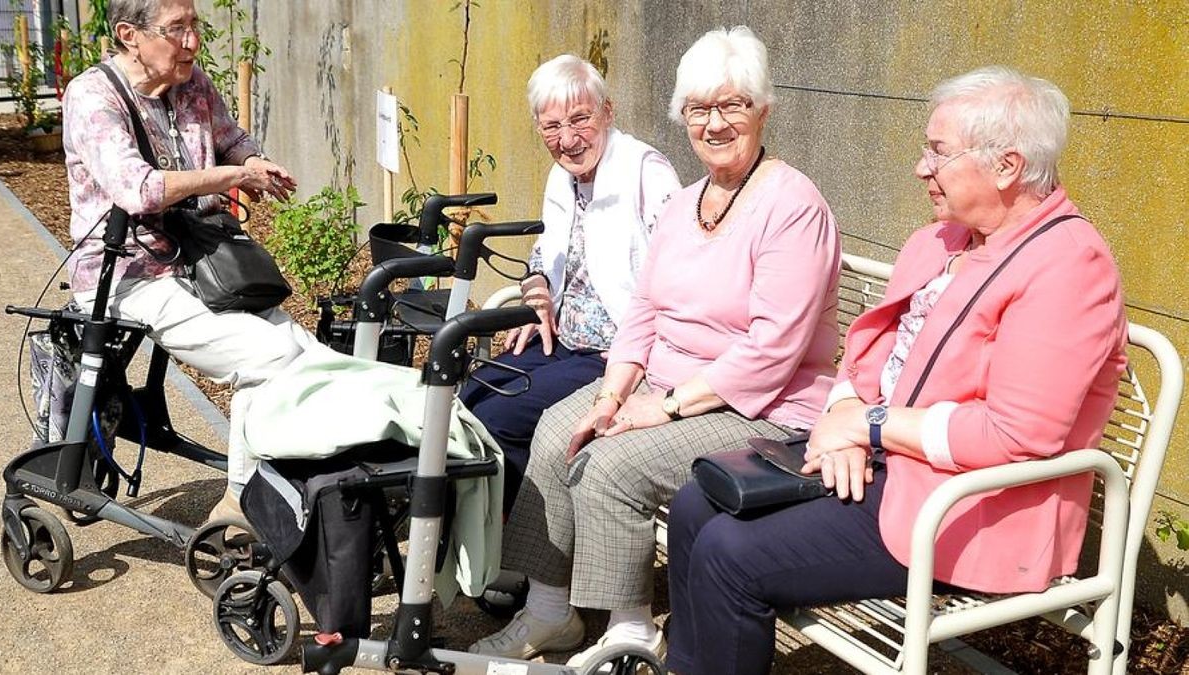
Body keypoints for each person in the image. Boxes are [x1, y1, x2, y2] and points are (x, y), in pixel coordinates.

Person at [665, 66, 1129, 675]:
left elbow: (1018, 436)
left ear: (1008, 166)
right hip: (889, 470)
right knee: (696, 504)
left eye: (937, 152)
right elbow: (867, 354)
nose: (920, 168)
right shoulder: (943, 241)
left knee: (732, 553)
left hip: (968, 507)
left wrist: (870, 426)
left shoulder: (1068, 267)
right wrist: (843, 422)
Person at [470, 26, 841, 665]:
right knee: (564, 430)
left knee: (613, 462)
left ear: (763, 110)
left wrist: (660, 409)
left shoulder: (791, 204)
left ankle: (630, 627)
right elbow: (643, 307)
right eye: (699, 109)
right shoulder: (688, 202)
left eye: (732, 105)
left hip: (762, 405)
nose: (715, 123)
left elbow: (772, 351)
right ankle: (549, 612)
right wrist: (615, 391)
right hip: (668, 381)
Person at [62, 0, 311, 520]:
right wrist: (230, 177)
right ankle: (242, 503)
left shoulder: (192, 83)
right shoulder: (93, 96)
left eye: (194, 27)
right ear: (130, 34)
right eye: (177, 30)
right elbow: (139, 189)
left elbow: (231, 138)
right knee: (269, 356)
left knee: (304, 351)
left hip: (199, 257)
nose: (193, 42)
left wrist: (253, 159)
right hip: (127, 273)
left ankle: (294, 483)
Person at [459, 54, 681, 512]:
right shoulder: (561, 178)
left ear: (608, 112)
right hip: (561, 336)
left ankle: (512, 549)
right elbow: (544, 256)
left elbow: (677, 270)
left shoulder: (646, 172)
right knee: (470, 395)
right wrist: (535, 288)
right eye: (552, 126)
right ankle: (478, 537)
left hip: (616, 352)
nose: (568, 139)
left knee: (501, 415)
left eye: (580, 119)